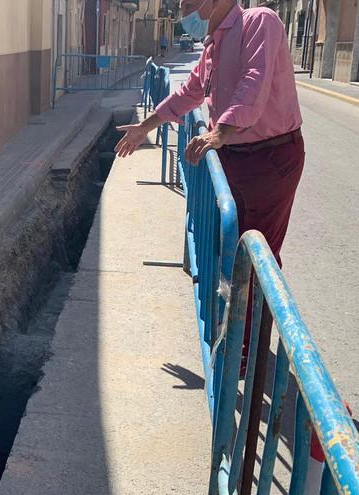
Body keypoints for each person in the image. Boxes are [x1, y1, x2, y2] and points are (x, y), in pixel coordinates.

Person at [115, 0, 303, 371]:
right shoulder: (215, 43)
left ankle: (245, 349)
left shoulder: (258, 22)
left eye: (188, 2)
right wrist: (145, 127)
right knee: (229, 248)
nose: (183, 9)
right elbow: (190, 92)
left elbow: (253, 82)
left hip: (270, 158)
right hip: (235, 156)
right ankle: (235, 333)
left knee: (255, 254)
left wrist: (220, 131)